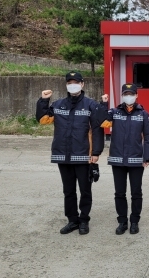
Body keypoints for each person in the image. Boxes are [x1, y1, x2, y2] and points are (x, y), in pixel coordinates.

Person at [36, 71, 105, 235]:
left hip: (83, 155)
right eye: (69, 82)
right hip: (63, 155)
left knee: (85, 190)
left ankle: (84, 220)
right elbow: (43, 119)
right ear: (66, 85)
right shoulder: (59, 104)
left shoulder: (91, 105)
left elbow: (97, 130)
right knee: (68, 191)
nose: (72, 85)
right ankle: (72, 220)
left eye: (76, 82)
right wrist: (44, 101)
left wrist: (96, 152)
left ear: (82, 84)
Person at [100, 83, 149, 235]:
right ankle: (122, 221)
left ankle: (134, 221)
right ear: (122, 95)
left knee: (136, 192)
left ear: (136, 95)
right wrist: (104, 104)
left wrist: (147, 156)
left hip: (136, 160)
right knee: (119, 193)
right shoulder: (114, 112)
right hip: (117, 159)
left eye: (131, 93)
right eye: (125, 93)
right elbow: (102, 122)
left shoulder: (144, 115)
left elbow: (148, 138)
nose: (128, 96)